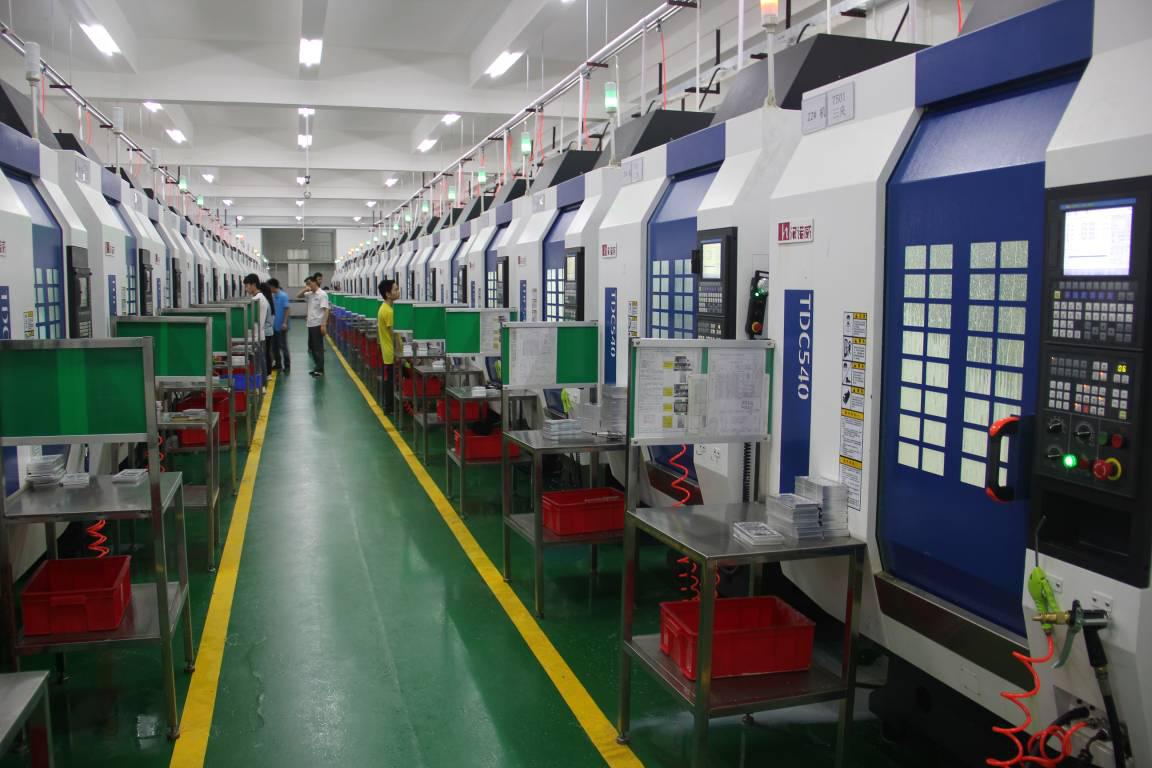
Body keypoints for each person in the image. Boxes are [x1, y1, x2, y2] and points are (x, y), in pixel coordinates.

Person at [243, 274, 272, 385]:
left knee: (257, 364)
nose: (246, 289)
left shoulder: (256, 300)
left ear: (253, 285)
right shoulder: (261, 298)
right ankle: (262, 384)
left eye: (247, 286)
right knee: (261, 361)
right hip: (260, 334)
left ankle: (260, 385)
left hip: (256, 336)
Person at [297, 276, 329, 377]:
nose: (309, 285)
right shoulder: (310, 294)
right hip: (310, 324)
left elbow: (326, 310)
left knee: (318, 348)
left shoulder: (322, 294)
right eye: (307, 284)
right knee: (313, 348)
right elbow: (298, 296)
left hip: (317, 324)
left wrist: (323, 324)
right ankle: (317, 367)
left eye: (310, 283)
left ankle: (320, 370)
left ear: (315, 282)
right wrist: (305, 289)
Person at [377, 278, 400, 412]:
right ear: (388, 294)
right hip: (390, 352)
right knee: (389, 380)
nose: (398, 291)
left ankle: (389, 405)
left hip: (387, 351)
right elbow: (393, 334)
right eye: (395, 289)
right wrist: (399, 352)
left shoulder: (384, 308)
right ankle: (389, 406)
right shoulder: (388, 311)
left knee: (389, 379)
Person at [268, 278, 291, 372]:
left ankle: (287, 365)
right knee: (275, 347)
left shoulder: (283, 295)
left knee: (283, 346)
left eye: (269, 287)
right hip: (274, 325)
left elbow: (287, 309)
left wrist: (285, 322)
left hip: (282, 325)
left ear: (273, 286)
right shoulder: (273, 296)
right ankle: (278, 364)